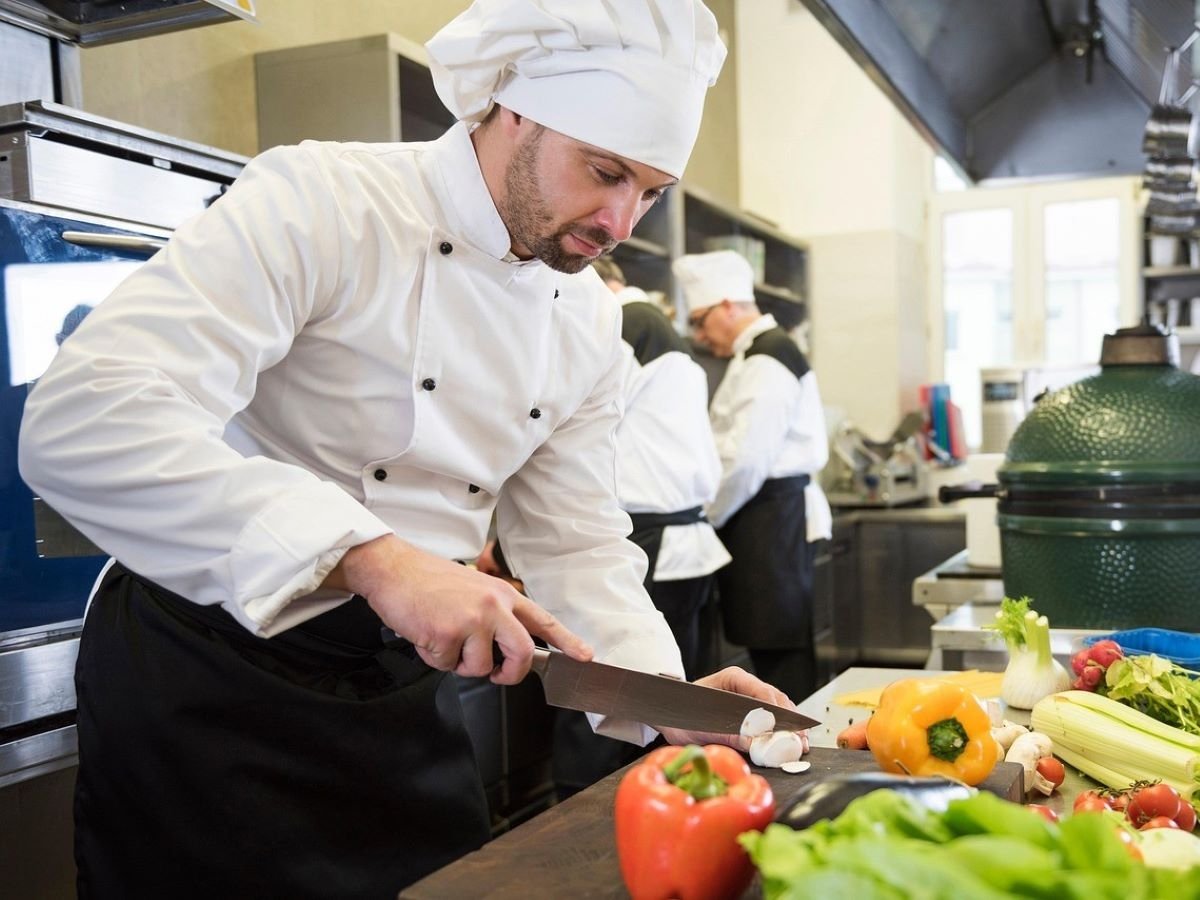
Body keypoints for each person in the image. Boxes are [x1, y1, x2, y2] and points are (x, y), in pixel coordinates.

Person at [17, 2, 804, 896]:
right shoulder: (324, 202)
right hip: (205, 674)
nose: (622, 221)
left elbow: (575, 542)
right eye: (606, 171)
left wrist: (669, 699)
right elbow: (83, 419)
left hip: (392, 682)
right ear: (515, 111)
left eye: (651, 192)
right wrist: (375, 558)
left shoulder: (585, 319)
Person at [549, 257, 733, 796]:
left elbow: (562, 439)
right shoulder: (661, 329)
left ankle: (592, 824)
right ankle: (666, 805)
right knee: (668, 704)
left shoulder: (618, 322)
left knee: (600, 700)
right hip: (685, 546)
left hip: (643, 543)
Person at [673, 249, 833, 702]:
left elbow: (745, 460)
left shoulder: (768, 358)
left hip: (768, 515)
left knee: (778, 651)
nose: (701, 335)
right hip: (765, 514)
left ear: (728, 306)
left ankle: (796, 754)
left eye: (701, 321)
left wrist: (705, 517)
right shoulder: (756, 354)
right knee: (775, 645)